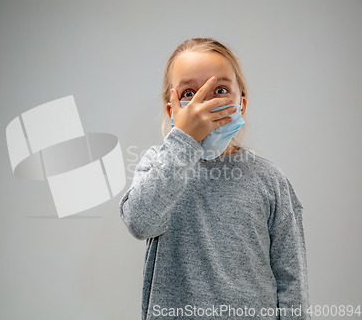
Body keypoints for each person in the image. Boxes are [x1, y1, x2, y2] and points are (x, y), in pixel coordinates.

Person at [119, 38, 310, 320]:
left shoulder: (270, 181)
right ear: (171, 110)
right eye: (188, 94)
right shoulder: (158, 166)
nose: (203, 105)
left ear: (241, 105)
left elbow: (291, 281)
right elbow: (139, 221)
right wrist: (183, 142)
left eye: (219, 90)